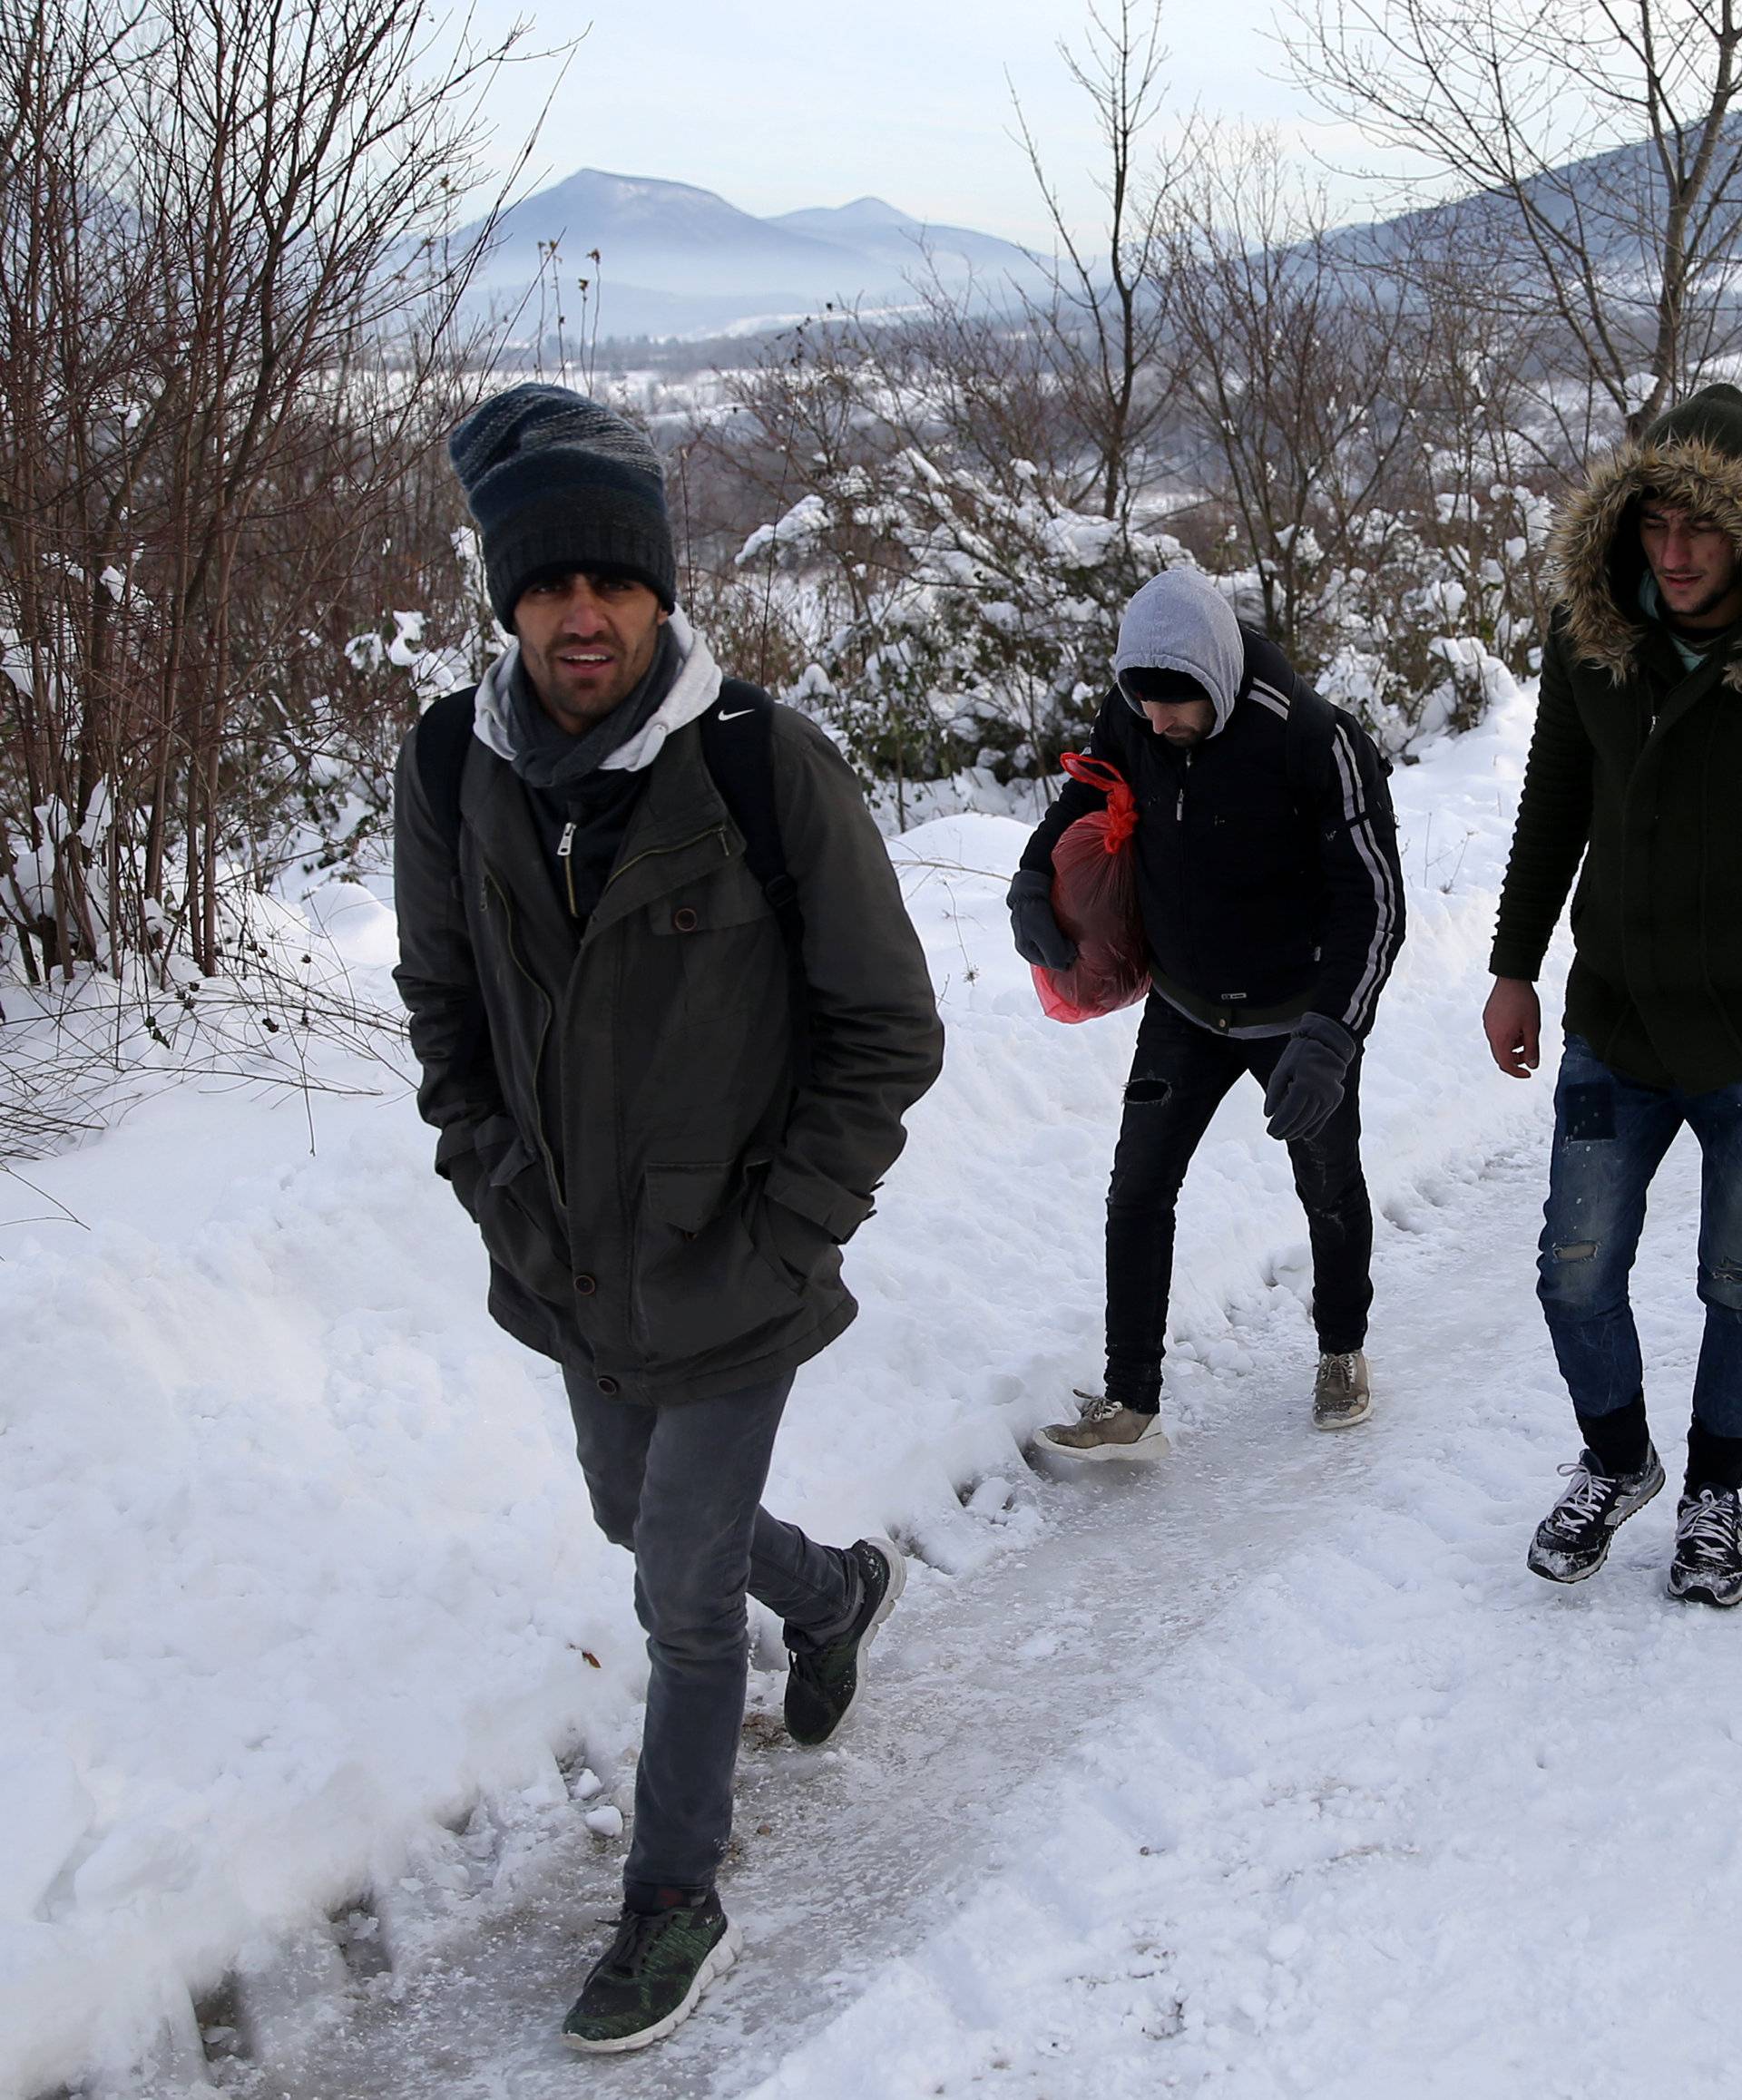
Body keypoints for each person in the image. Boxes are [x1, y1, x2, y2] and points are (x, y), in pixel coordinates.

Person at [393, 385, 944, 2050]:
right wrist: (490, 1170)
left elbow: (886, 1025)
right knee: (638, 1515)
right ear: (510, 599)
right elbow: (442, 1006)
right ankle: (839, 1595)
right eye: (548, 583)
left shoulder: (757, 767)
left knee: (682, 1597)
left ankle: (671, 1895)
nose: (581, 613)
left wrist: (793, 1230)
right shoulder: (452, 762)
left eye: (610, 582)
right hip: (567, 1262)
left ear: (658, 591)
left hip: (738, 1264)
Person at [1009, 569, 1404, 1456]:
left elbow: (1373, 901)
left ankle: (1343, 1347)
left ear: (1218, 678)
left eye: (1175, 703)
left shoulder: (1313, 739)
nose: (1156, 720)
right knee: (1139, 1189)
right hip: (1185, 1003)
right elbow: (1088, 788)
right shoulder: (1139, 710)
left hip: (1295, 1013)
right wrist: (1039, 869)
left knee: (1328, 1185)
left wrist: (1334, 1033)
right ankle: (1130, 1396)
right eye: (1141, 702)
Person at [1485, 381, 1742, 1609]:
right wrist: (1513, 964)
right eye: (1657, 523)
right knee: (1575, 1270)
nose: (1678, 551)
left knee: (1739, 1278)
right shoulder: (1591, 632)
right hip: (1614, 1024)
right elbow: (1553, 805)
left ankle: (1720, 1488)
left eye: (1703, 524)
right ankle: (1620, 1454)